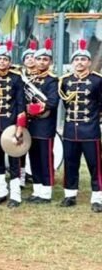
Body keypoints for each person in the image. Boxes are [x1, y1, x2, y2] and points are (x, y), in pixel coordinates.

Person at [58, 39, 102, 212]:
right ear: (72, 62)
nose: (80, 62)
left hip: (90, 130)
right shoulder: (65, 81)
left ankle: (97, 198)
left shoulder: (97, 81)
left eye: (83, 59)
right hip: (70, 130)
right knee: (70, 163)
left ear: (89, 63)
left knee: (95, 165)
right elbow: (65, 104)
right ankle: (70, 195)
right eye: (76, 59)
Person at [0, 40, 25, 208]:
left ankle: (15, 195)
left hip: (11, 124)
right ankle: (1, 191)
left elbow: (21, 104)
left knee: (14, 159)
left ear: (10, 62)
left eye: (5, 59)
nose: (2, 62)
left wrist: (19, 126)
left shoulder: (16, 78)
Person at [24, 39, 59, 204]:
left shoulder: (52, 80)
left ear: (50, 62)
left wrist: (32, 108)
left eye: (45, 59)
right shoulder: (31, 79)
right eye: (39, 59)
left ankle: (46, 192)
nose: (41, 62)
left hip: (45, 125)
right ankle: (37, 190)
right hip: (31, 125)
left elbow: (52, 102)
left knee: (45, 159)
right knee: (34, 158)